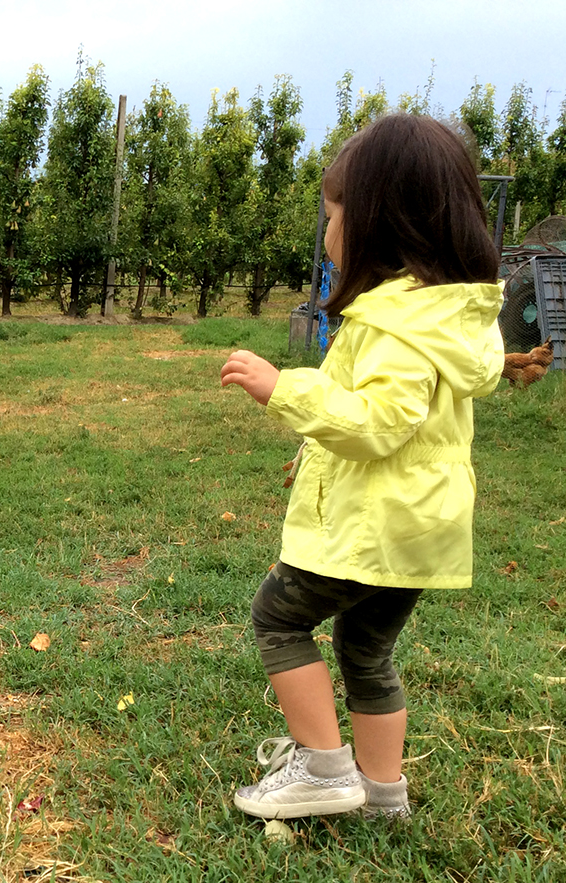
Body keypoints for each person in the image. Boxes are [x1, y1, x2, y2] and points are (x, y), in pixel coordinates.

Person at [219, 113, 505, 821]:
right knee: (366, 646)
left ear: (379, 220)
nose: (328, 230)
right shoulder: (445, 317)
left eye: (335, 212)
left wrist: (285, 387)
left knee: (277, 618)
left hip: (375, 525)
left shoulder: (396, 326)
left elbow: (377, 422)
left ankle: (322, 768)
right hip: (421, 529)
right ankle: (383, 793)